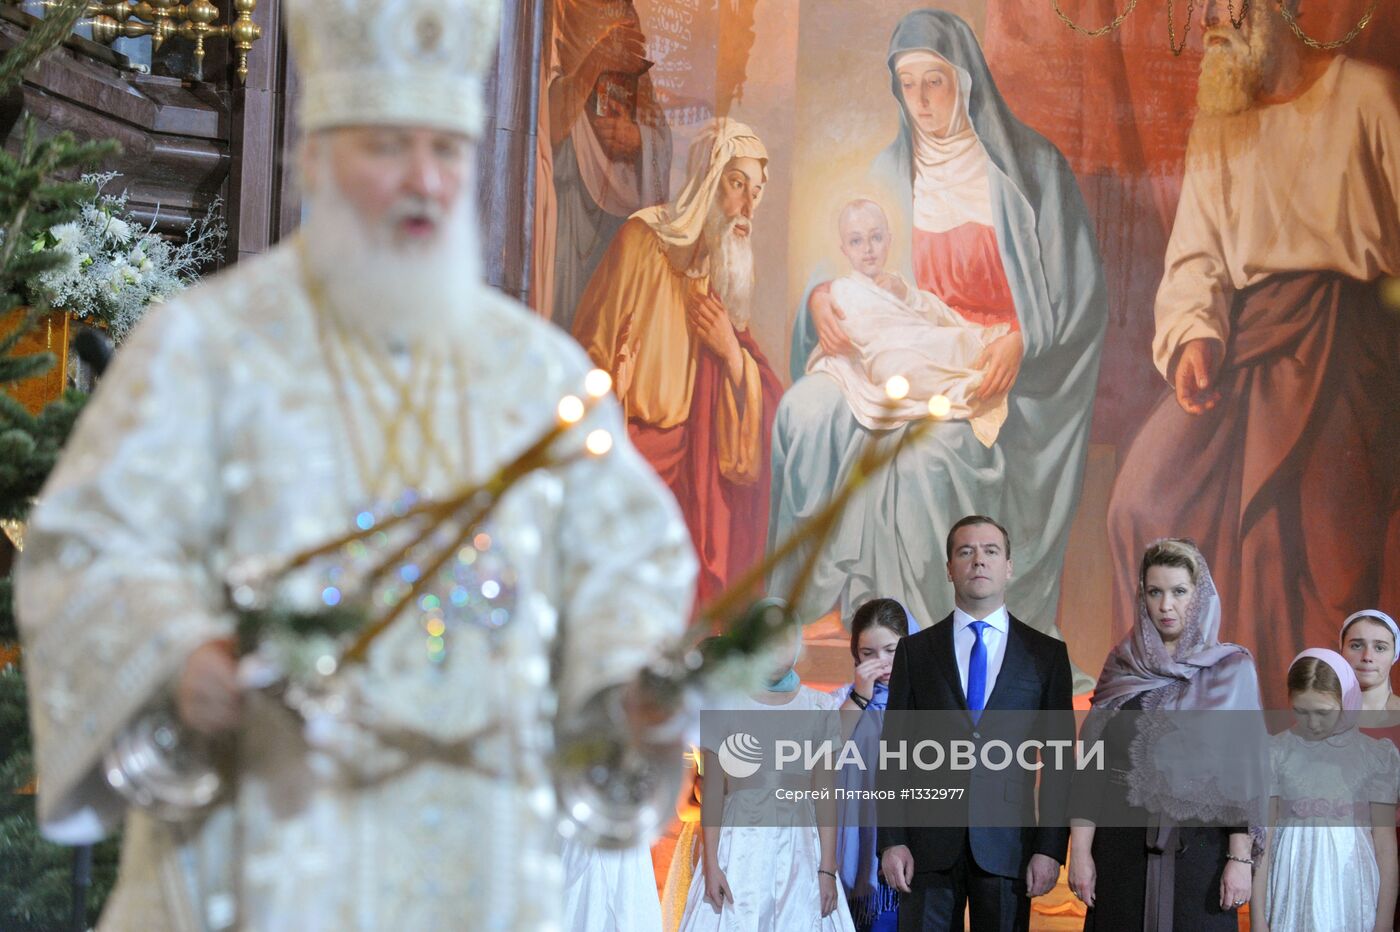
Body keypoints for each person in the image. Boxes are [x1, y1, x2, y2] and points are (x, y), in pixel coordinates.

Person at [12, 0, 698, 926]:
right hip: (260, 855)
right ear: (320, 157)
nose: (424, 179)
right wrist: (179, 654)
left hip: (472, 865)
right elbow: (86, 547)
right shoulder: (205, 350)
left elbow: (634, 564)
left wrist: (620, 675)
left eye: (446, 149)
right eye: (387, 145)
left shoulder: (542, 379)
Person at [769, 11, 1106, 687]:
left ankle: (923, 642)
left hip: (989, 369)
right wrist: (819, 299)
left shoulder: (1031, 169)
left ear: (966, 82)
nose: (921, 101)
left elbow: (1080, 293)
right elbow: (841, 256)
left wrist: (1022, 340)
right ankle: (798, 617)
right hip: (895, 354)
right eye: (908, 85)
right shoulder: (889, 169)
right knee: (804, 411)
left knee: (925, 459)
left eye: (935, 82)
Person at [1105, 0, 1400, 705]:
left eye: (1227, 5)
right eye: (1202, 9)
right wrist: (1195, 334)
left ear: (1278, 10)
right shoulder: (1220, 123)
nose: (1212, 19)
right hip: (1246, 342)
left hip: (1351, 345)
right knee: (1140, 500)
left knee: (1316, 545)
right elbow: (1196, 255)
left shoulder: (1368, 97)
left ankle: (1313, 735)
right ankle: (1178, 711)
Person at [572, 118, 784, 605]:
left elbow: (762, 387)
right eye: (737, 184)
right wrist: (612, 387)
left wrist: (731, 354)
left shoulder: (720, 274)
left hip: (692, 471)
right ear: (708, 177)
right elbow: (589, 354)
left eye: (756, 192)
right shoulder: (640, 241)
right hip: (632, 456)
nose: (748, 208)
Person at [876, 515, 1074, 931]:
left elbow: (1061, 762)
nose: (978, 560)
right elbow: (893, 753)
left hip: (1008, 847)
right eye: (966, 552)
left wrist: (1051, 848)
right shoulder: (915, 652)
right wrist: (892, 840)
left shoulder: (1046, 656)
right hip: (926, 848)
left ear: (1008, 566)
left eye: (990, 551)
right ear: (950, 568)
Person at [1068, 539, 1263, 931]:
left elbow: (1241, 775)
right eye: (1155, 592)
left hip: (1201, 853)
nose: (1166, 605)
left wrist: (1239, 859)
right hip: (1119, 849)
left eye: (1179, 592)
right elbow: (1091, 768)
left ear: (1200, 596)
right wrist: (1081, 853)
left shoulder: (1232, 670)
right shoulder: (1122, 664)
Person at [675, 623, 857, 932]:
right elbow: (713, 789)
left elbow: (824, 792)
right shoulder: (725, 704)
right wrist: (711, 864)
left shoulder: (819, 706)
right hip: (738, 843)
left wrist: (827, 868)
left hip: (800, 846)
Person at [806, 198, 1009, 445]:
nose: (868, 249)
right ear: (844, 249)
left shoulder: (899, 284)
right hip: (882, 356)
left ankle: (970, 373)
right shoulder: (842, 288)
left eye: (876, 238)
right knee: (899, 368)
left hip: (920, 341)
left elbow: (931, 313)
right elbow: (857, 333)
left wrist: (904, 293)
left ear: (889, 240)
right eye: (856, 241)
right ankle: (965, 388)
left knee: (956, 340)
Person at [536, 0, 671, 331]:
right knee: (566, 318)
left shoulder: (623, 11)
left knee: (610, 325)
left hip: (619, 212)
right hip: (570, 200)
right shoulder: (557, 10)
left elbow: (654, 120)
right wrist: (597, 59)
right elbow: (545, 121)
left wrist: (637, 138)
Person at [1253, 649, 1399, 932]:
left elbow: (1385, 845)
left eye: (1323, 712)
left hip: (1351, 883)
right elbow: (1263, 842)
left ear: (1345, 702)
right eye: (1301, 711)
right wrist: (1258, 919)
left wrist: (1384, 921)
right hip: (1292, 882)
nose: (1313, 723)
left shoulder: (1374, 756)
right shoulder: (1275, 753)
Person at [830, 598, 918, 932]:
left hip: (910, 849)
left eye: (891, 650)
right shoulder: (842, 700)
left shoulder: (926, 701)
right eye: (868, 653)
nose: (882, 663)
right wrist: (859, 697)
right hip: (850, 856)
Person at [1343, 608, 1400, 930]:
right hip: (1351, 863)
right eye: (1356, 645)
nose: (1367, 656)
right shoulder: (1320, 722)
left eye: (1380, 647)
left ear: (1394, 655)